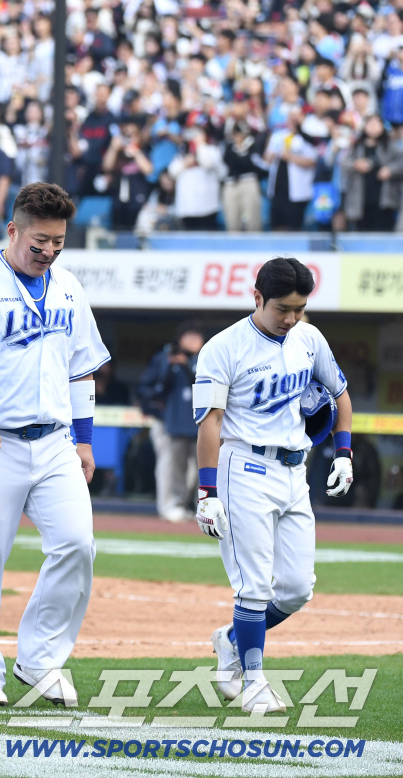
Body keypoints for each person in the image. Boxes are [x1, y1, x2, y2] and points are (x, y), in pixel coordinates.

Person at [0, 183, 107, 709]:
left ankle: (39, 658)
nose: (48, 252)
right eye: (39, 241)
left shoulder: (66, 285)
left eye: (58, 243)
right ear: (13, 229)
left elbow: (81, 367)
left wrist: (85, 441)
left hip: (57, 441)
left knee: (77, 544)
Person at [194, 257, 353, 714]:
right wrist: (207, 493)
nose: (291, 318)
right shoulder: (223, 348)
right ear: (258, 298)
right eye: (283, 308)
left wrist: (343, 453)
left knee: (298, 588)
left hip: (294, 471)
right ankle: (255, 683)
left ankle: (229, 639)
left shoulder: (308, 337)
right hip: (243, 466)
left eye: (299, 308)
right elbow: (211, 422)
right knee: (253, 588)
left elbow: (339, 395)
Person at [138, 325, 205, 523]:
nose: (193, 341)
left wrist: (185, 365)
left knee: (198, 471)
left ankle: (196, 506)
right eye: (188, 336)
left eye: (196, 336)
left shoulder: (207, 358)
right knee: (172, 468)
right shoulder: (164, 358)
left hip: (201, 424)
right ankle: (172, 506)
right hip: (171, 424)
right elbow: (149, 389)